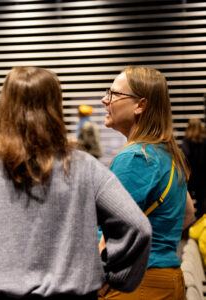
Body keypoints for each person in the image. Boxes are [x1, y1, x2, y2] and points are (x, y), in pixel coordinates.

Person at [0, 66, 152, 300]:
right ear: (55, 107)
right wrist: (113, 277)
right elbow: (138, 227)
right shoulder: (86, 168)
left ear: (5, 106)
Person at [99, 66, 195, 299]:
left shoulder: (134, 157)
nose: (104, 100)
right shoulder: (166, 153)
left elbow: (110, 235)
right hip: (168, 278)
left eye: (114, 94)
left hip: (137, 284)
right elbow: (188, 214)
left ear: (140, 105)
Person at [181, 118, 206, 218]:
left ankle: (189, 223)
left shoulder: (186, 141)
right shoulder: (204, 140)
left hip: (190, 175)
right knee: (201, 203)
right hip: (203, 176)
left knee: (188, 200)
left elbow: (185, 157)